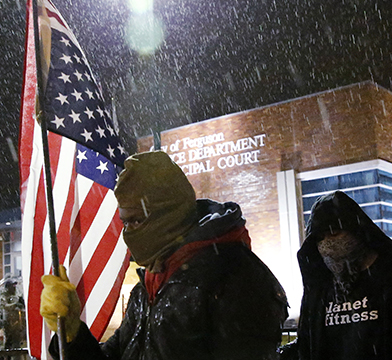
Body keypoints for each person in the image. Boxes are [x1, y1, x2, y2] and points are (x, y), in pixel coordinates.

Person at [40, 151, 288, 360]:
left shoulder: (233, 277)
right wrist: (72, 334)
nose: (129, 233)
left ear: (166, 214)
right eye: (125, 223)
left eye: (137, 220)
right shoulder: (148, 287)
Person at [278, 190, 392, 359]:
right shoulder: (320, 289)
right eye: (320, 238)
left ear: (357, 232)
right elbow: (309, 343)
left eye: (334, 233)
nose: (328, 243)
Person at [0, 279, 25, 350]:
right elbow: (5, 306)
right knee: (8, 341)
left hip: (17, 321)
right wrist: (15, 305)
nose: (14, 288)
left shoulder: (17, 294)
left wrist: (22, 304)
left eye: (14, 286)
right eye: (12, 286)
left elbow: (22, 307)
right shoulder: (4, 295)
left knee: (17, 341)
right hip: (8, 321)